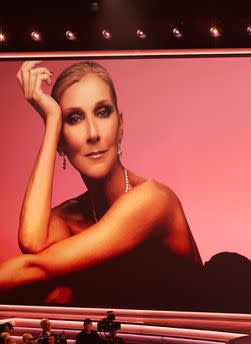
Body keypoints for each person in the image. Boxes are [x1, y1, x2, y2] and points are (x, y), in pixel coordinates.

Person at [0, 61, 202, 309]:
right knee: (57, 292)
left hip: (201, 340)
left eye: (103, 112)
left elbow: (35, 266)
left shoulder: (153, 200)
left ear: (120, 127)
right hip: (131, 341)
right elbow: (31, 241)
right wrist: (52, 123)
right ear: (61, 143)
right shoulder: (71, 215)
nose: (93, 133)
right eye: (74, 118)